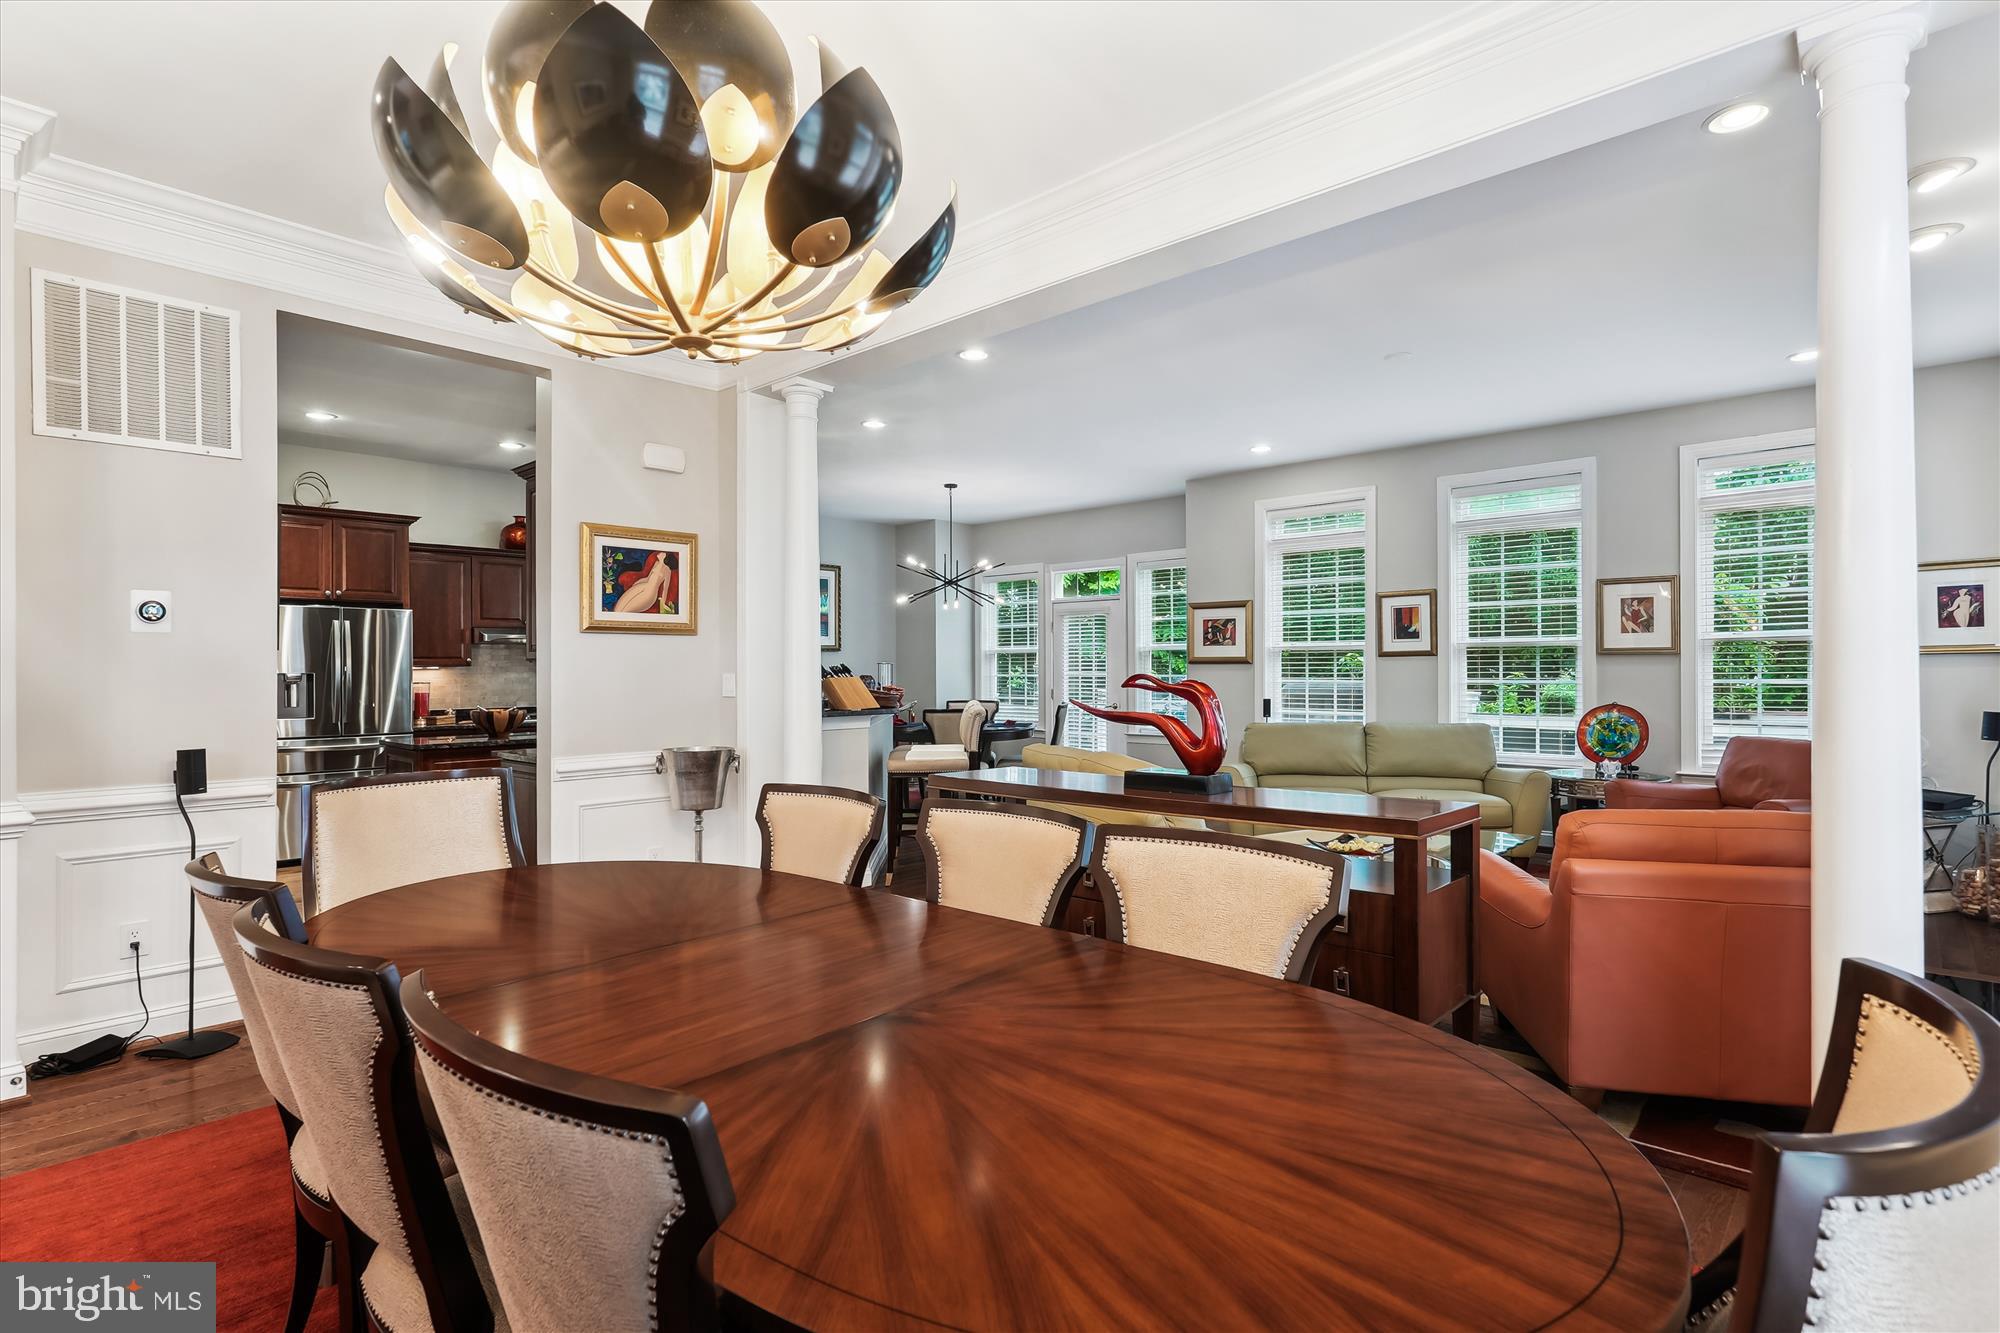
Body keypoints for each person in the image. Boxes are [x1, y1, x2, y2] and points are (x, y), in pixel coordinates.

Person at [612, 551, 678, 615]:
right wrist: (637, 583)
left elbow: (665, 589)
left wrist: (663, 604)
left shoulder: (667, 571)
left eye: (664, 554)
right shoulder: (657, 563)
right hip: (643, 585)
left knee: (625, 610)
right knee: (618, 608)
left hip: (650, 593)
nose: (661, 553)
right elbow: (648, 578)